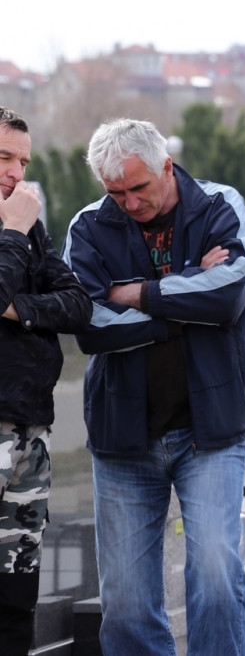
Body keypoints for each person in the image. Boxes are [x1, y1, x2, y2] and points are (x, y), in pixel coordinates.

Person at [62, 118, 245, 656]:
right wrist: (183, 296)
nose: (128, 202)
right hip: (123, 436)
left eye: (138, 187)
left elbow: (225, 298)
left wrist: (132, 293)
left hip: (209, 431)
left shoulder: (220, 205)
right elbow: (90, 325)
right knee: (124, 606)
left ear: (166, 165)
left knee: (218, 579)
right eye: (115, 192)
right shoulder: (86, 226)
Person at [0, 107, 92, 655]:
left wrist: (19, 309)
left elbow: (78, 305)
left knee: (17, 591)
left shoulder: (30, 231)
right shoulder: (19, 228)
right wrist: (11, 231)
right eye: (3, 158)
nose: (15, 173)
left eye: (23, 162)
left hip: (30, 432)